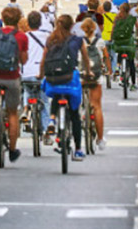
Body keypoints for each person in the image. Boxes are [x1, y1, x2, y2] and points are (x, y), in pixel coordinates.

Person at [0, 6, 28, 162]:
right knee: (13, 113)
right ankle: (13, 150)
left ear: (3, 19)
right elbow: (23, 60)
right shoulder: (21, 37)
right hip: (11, 77)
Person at [41, 15, 88, 161]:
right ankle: (78, 149)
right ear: (72, 26)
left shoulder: (50, 39)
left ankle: (52, 119)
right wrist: (88, 71)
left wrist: (40, 74)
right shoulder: (77, 40)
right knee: (75, 116)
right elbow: (85, 58)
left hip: (53, 79)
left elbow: (43, 60)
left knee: (57, 93)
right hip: (70, 78)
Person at [22, 12, 53, 144]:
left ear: (27, 24)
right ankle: (47, 129)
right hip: (42, 74)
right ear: (40, 24)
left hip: (27, 73)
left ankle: (25, 110)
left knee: (27, 90)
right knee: (45, 102)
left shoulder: (24, 37)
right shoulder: (47, 37)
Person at [79, 18, 108, 150]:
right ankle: (100, 139)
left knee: (76, 102)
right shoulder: (100, 42)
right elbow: (106, 57)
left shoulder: (79, 42)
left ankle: (81, 115)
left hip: (82, 76)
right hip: (95, 76)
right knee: (97, 106)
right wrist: (109, 71)